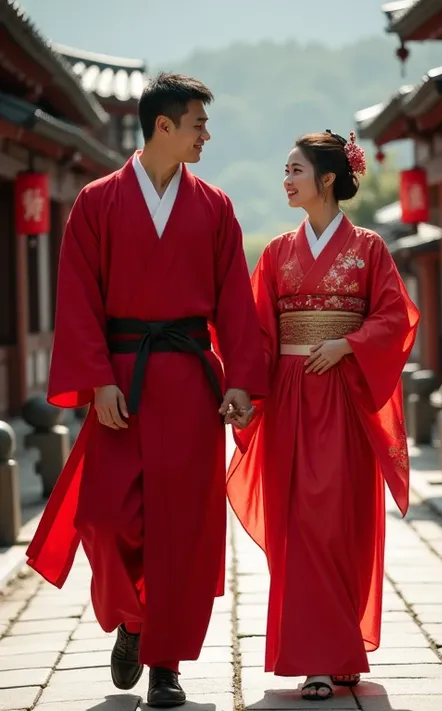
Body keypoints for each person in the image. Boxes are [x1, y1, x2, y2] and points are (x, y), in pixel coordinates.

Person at [26, 72, 267, 707]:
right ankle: (133, 620)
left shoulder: (214, 206)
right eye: (198, 124)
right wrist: (96, 381)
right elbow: (76, 300)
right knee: (106, 518)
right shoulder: (97, 202)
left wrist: (241, 380)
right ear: (164, 126)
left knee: (183, 530)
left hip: (188, 383)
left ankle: (167, 664)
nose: (206, 136)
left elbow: (235, 302)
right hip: (122, 385)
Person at [228, 130, 420, 700]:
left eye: (295, 171)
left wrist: (350, 344)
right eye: (285, 171)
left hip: (341, 395)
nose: (286, 180)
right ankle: (316, 659)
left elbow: (396, 317)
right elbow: (258, 332)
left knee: (340, 521)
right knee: (299, 525)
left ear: (327, 178)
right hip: (290, 396)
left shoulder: (369, 250)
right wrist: (243, 391)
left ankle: (339, 650)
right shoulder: (278, 254)